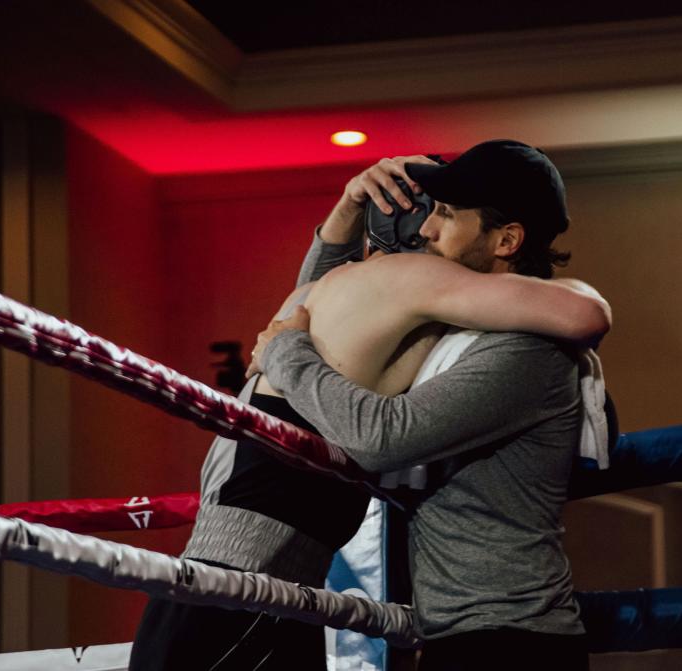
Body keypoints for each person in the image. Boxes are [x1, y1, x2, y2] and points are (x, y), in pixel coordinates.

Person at [129, 140, 607, 670]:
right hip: (272, 593)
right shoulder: (441, 317)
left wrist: (288, 349)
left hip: (510, 635)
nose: (423, 230)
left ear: (507, 239)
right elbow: (325, 305)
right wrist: (348, 206)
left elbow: (381, 434)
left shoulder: (525, 346)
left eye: (445, 215)